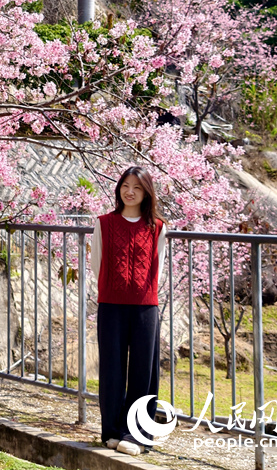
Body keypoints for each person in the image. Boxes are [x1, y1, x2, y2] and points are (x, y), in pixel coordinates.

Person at [91, 166, 167, 456]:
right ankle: (111, 431)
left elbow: (158, 268)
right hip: (110, 304)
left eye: (137, 186)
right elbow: (97, 263)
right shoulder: (104, 223)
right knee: (111, 369)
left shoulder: (158, 227)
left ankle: (137, 435)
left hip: (145, 307)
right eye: (125, 185)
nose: (130, 191)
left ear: (146, 191)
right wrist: (115, 290)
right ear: (119, 188)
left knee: (142, 374)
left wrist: (141, 292)